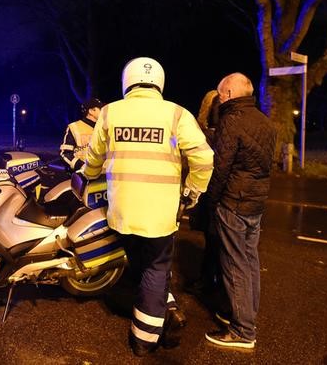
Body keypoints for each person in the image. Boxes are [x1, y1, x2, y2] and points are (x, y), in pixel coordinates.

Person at [82, 57, 214, 357]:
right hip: (160, 214)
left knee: (140, 264)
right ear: (160, 82)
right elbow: (204, 158)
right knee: (156, 268)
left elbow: (94, 157)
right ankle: (144, 339)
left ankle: (163, 308)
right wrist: (193, 190)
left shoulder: (109, 112)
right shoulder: (176, 114)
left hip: (122, 211)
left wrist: (86, 177)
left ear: (127, 81)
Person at [203, 73, 276, 350]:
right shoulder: (266, 123)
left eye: (222, 94)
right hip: (255, 203)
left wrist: (212, 202)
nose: (220, 99)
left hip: (233, 202)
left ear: (231, 93)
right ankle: (247, 316)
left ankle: (243, 331)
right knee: (249, 261)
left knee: (234, 265)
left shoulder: (231, 121)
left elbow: (220, 168)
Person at [186, 89, 222, 296]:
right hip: (216, 192)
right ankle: (209, 279)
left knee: (214, 240)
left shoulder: (203, 134)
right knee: (214, 240)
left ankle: (208, 281)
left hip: (211, 192)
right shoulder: (222, 131)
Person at [59, 97, 104, 172]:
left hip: (103, 175)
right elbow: (65, 154)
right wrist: (82, 166)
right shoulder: (74, 127)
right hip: (82, 175)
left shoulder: (105, 127)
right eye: (101, 109)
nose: (104, 112)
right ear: (91, 111)